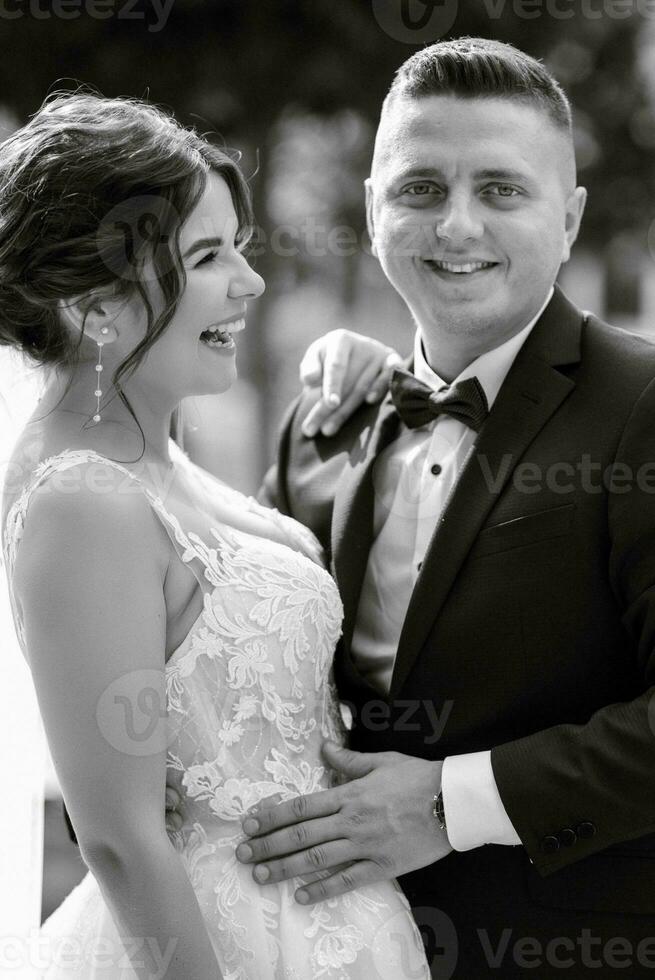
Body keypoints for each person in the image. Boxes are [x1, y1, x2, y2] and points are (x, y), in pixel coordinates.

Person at [236, 37, 655, 979]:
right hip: (328, 944)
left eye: (501, 190)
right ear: (374, 205)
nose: (455, 226)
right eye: (419, 188)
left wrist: (443, 805)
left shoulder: (643, 407)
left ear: (571, 216)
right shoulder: (322, 424)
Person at [0, 91, 430, 979]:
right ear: (93, 308)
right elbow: (119, 840)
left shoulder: (153, 454)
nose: (250, 280)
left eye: (238, 244)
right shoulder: (82, 496)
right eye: (206, 256)